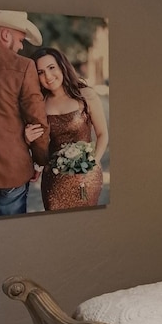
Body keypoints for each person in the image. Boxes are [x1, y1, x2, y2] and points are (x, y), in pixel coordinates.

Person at [0, 9, 50, 217]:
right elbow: (38, 121)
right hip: (8, 173)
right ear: (5, 34)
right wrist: (40, 160)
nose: (21, 47)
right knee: (11, 240)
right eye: (21, 40)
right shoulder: (22, 66)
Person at [29, 47, 108, 210]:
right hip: (54, 179)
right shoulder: (39, 104)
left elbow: (102, 134)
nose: (48, 77)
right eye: (40, 72)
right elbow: (40, 146)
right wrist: (28, 139)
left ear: (62, 66)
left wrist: (92, 165)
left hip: (86, 176)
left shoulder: (86, 95)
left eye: (51, 68)